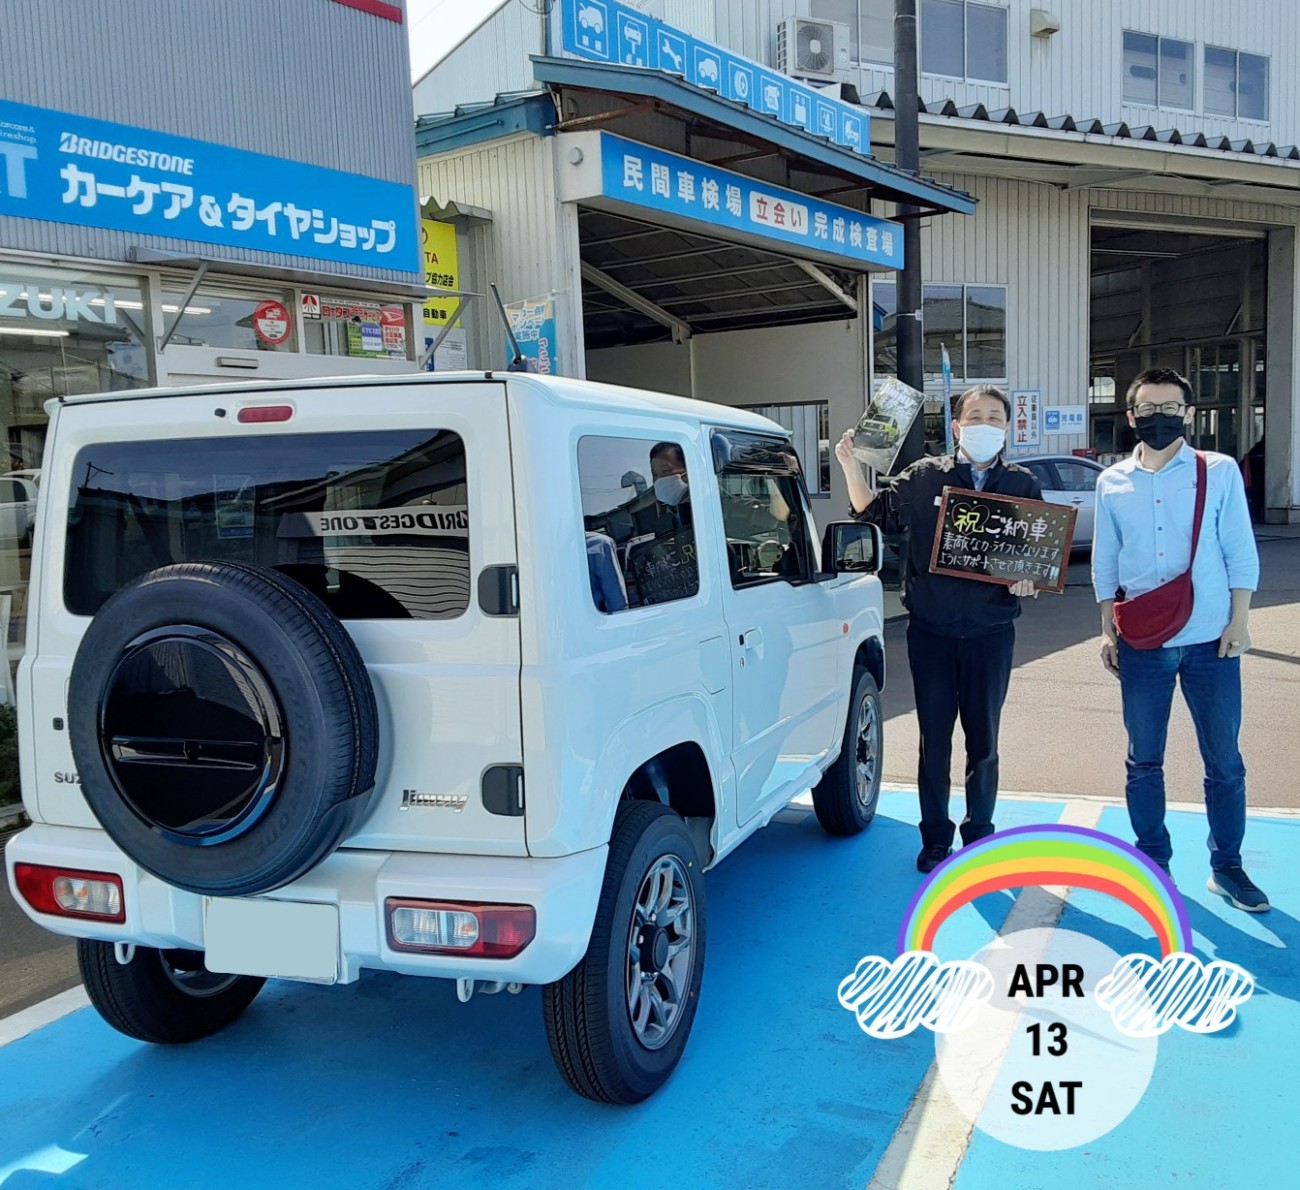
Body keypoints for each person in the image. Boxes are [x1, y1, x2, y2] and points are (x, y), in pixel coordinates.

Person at [836, 385, 1043, 872]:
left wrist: (1029, 580)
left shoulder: (1022, 484)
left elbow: (1036, 557)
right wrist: (848, 464)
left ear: (1007, 428)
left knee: (984, 742)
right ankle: (935, 839)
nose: (984, 425)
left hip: (991, 631)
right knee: (934, 740)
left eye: (994, 417)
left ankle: (979, 835)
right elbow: (873, 512)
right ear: (956, 426)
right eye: (975, 416)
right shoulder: (926, 476)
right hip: (931, 631)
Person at [1093, 367, 1266, 912]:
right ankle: (1154, 862)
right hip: (1142, 640)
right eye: (1148, 409)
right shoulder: (1112, 481)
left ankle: (1227, 867)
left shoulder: (1218, 471)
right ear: (1131, 416)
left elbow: (1239, 547)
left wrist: (1240, 620)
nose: (1159, 417)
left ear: (1187, 414)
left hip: (1211, 639)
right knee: (1144, 759)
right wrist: (1107, 628)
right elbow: (1106, 558)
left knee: (1225, 761)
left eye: (1170, 408)